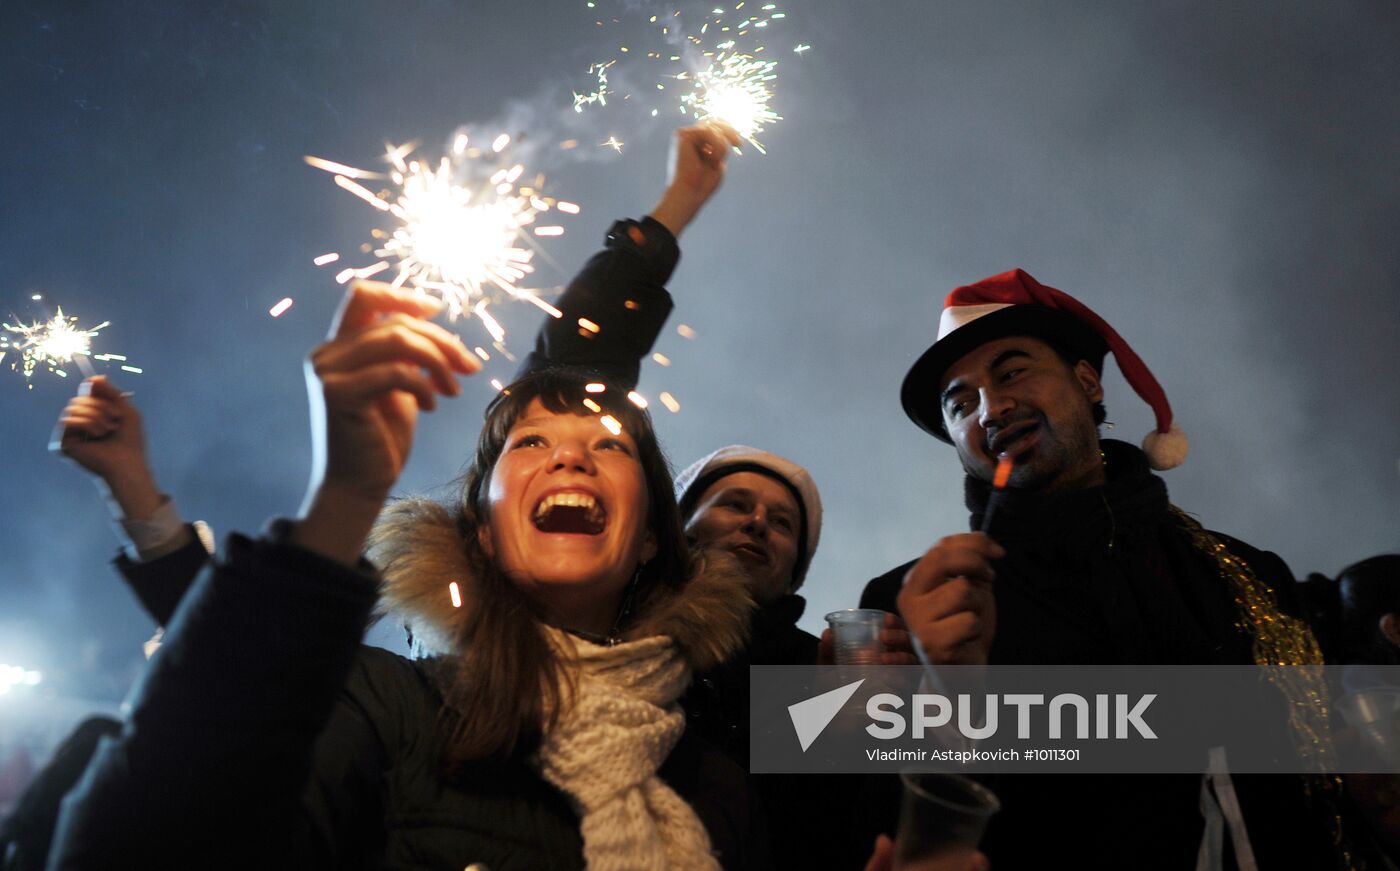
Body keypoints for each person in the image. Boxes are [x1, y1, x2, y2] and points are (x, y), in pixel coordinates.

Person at [46, 283, 768, 870]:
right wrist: (343, 499)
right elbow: (166, 833)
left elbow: (856, 783)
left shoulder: (737, 748)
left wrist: (874, 685)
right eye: (533, 441)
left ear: (651, 538)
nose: (570, 458)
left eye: (783, 518)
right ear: (481, 532)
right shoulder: (388, 704)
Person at [860, 268, 1367, 869]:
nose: (992, 410)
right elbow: (871, 826)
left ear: (1088, 382)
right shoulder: (915, 604)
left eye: (1012, 371)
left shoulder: (1253, 575)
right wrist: (942, 697)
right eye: (961, 404)